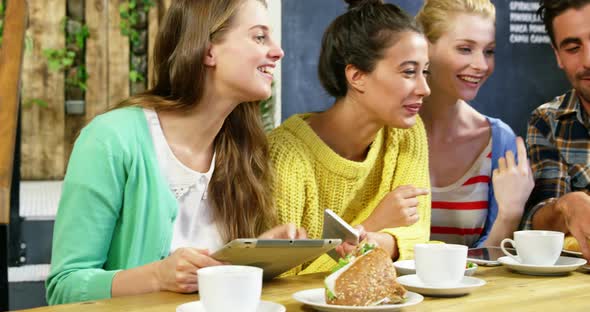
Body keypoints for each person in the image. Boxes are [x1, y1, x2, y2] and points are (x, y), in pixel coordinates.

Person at [46, 0, 305, 305]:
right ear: (208, 50)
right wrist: (157, 276)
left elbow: (209, 282)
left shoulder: (242, 149)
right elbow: (64, 287)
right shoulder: (110, 140)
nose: (278, 51)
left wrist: (252, 255)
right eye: (259, 37)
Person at [269, 0, 432, 275]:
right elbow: (285, 279)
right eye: (409, 72)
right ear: (357, 76)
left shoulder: (407, 134)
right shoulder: (287, 155)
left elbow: (417, 240)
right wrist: (373, 226)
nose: (424, 88)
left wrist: (366, 243)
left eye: (425, 71)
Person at [416, 0, 534, 248]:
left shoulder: (499, 141)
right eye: (465, 49)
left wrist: (510, 214)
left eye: (488, 51)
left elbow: (492, 261)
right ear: (424, 46)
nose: (481, 65)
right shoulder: (384, 131)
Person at [523, 0, 590, 261]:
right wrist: (566, 205)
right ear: (557, 56)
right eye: (573, 48)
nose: (588, 60)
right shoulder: (549, 120)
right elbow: (536, 223)